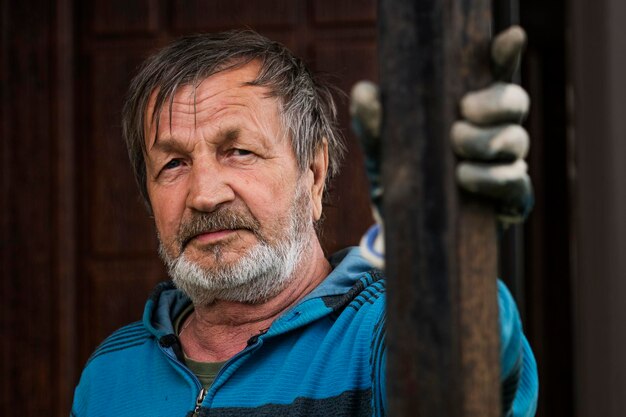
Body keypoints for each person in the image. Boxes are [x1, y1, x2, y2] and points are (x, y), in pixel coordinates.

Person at [71, 29, 538, 416]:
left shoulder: (378, 335)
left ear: (313, 175)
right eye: (173, 163)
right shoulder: (110, 373)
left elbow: (466, 381)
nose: (205, 194)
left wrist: (458, 266)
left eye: (239, 151)